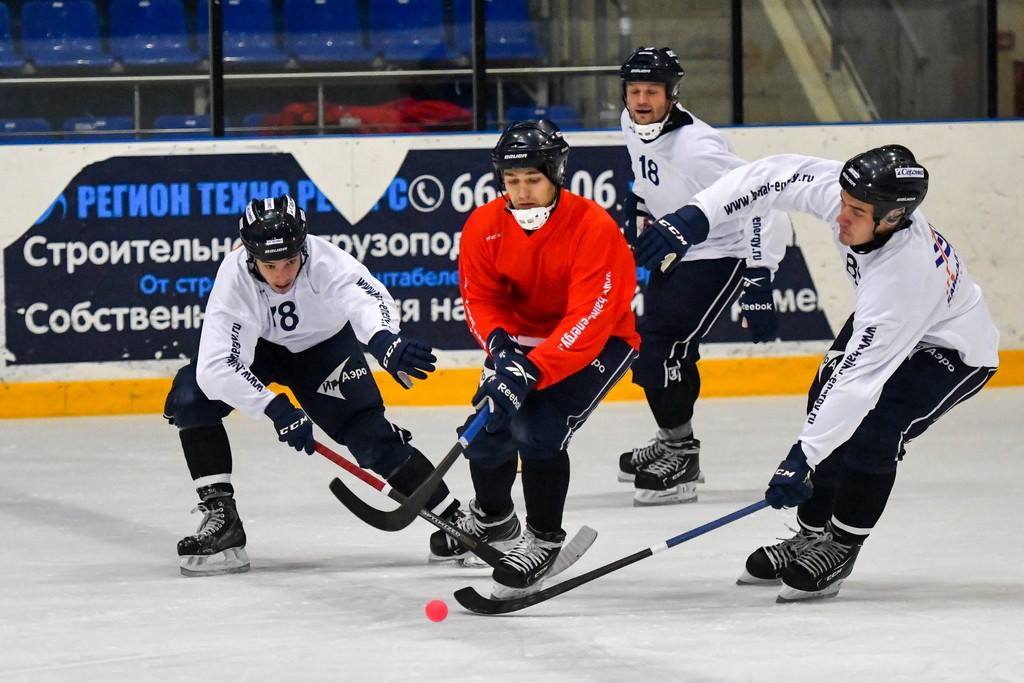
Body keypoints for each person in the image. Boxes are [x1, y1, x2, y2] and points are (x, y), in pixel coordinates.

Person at [635, 144, 1000, 601]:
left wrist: (801, 459)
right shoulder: (852, 198)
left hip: (951, 349)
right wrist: (696, 216)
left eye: (857, 212)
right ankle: (810, 532)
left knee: (875, 431)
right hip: (893, 324)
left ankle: (843, 543)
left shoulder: (902, 279)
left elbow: (858, 383)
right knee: (820, 400)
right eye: (843, 203)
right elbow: (770, 177)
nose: (840, 216)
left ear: (890, 219)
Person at [164, 195, 455, 576]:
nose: (282, 275)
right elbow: (218, 365)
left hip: (324, 351)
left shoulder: (324, 259)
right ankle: (223, 519)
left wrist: (384, 340)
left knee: (370, 437)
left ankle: (454, 520)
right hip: (263, 352)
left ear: (303, 246)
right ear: (251, 257)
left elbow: (365, 296)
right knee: (191, 396)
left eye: (290, 261)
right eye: (270, 265)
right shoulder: (234, 276)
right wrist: (274, 407)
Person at [428, 119, 640, 596]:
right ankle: (495, 519)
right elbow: (480, 298)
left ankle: (543, 539)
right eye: (511, 180)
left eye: (532, 180)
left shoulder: (593, 228)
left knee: (538, 430)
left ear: (555, 175)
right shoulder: (484, 225)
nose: (521, 192)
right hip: (522, 345)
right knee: (483, 431)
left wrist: (532, 368)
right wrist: (501, 348)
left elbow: (590, 316)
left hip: (599, 341)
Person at [617, 46, 791, 506]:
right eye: (634, 90)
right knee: (657, 344)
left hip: (725, 247)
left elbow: (760, 199)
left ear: (672, 94)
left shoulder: (699, 147)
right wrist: (641, 212)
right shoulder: (629, 121)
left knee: (662, 348)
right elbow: (645, 175)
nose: (640, 100)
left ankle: (682, 454)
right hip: (678, 245)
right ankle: (672, 437)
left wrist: (758, 277)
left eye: (651, 91)